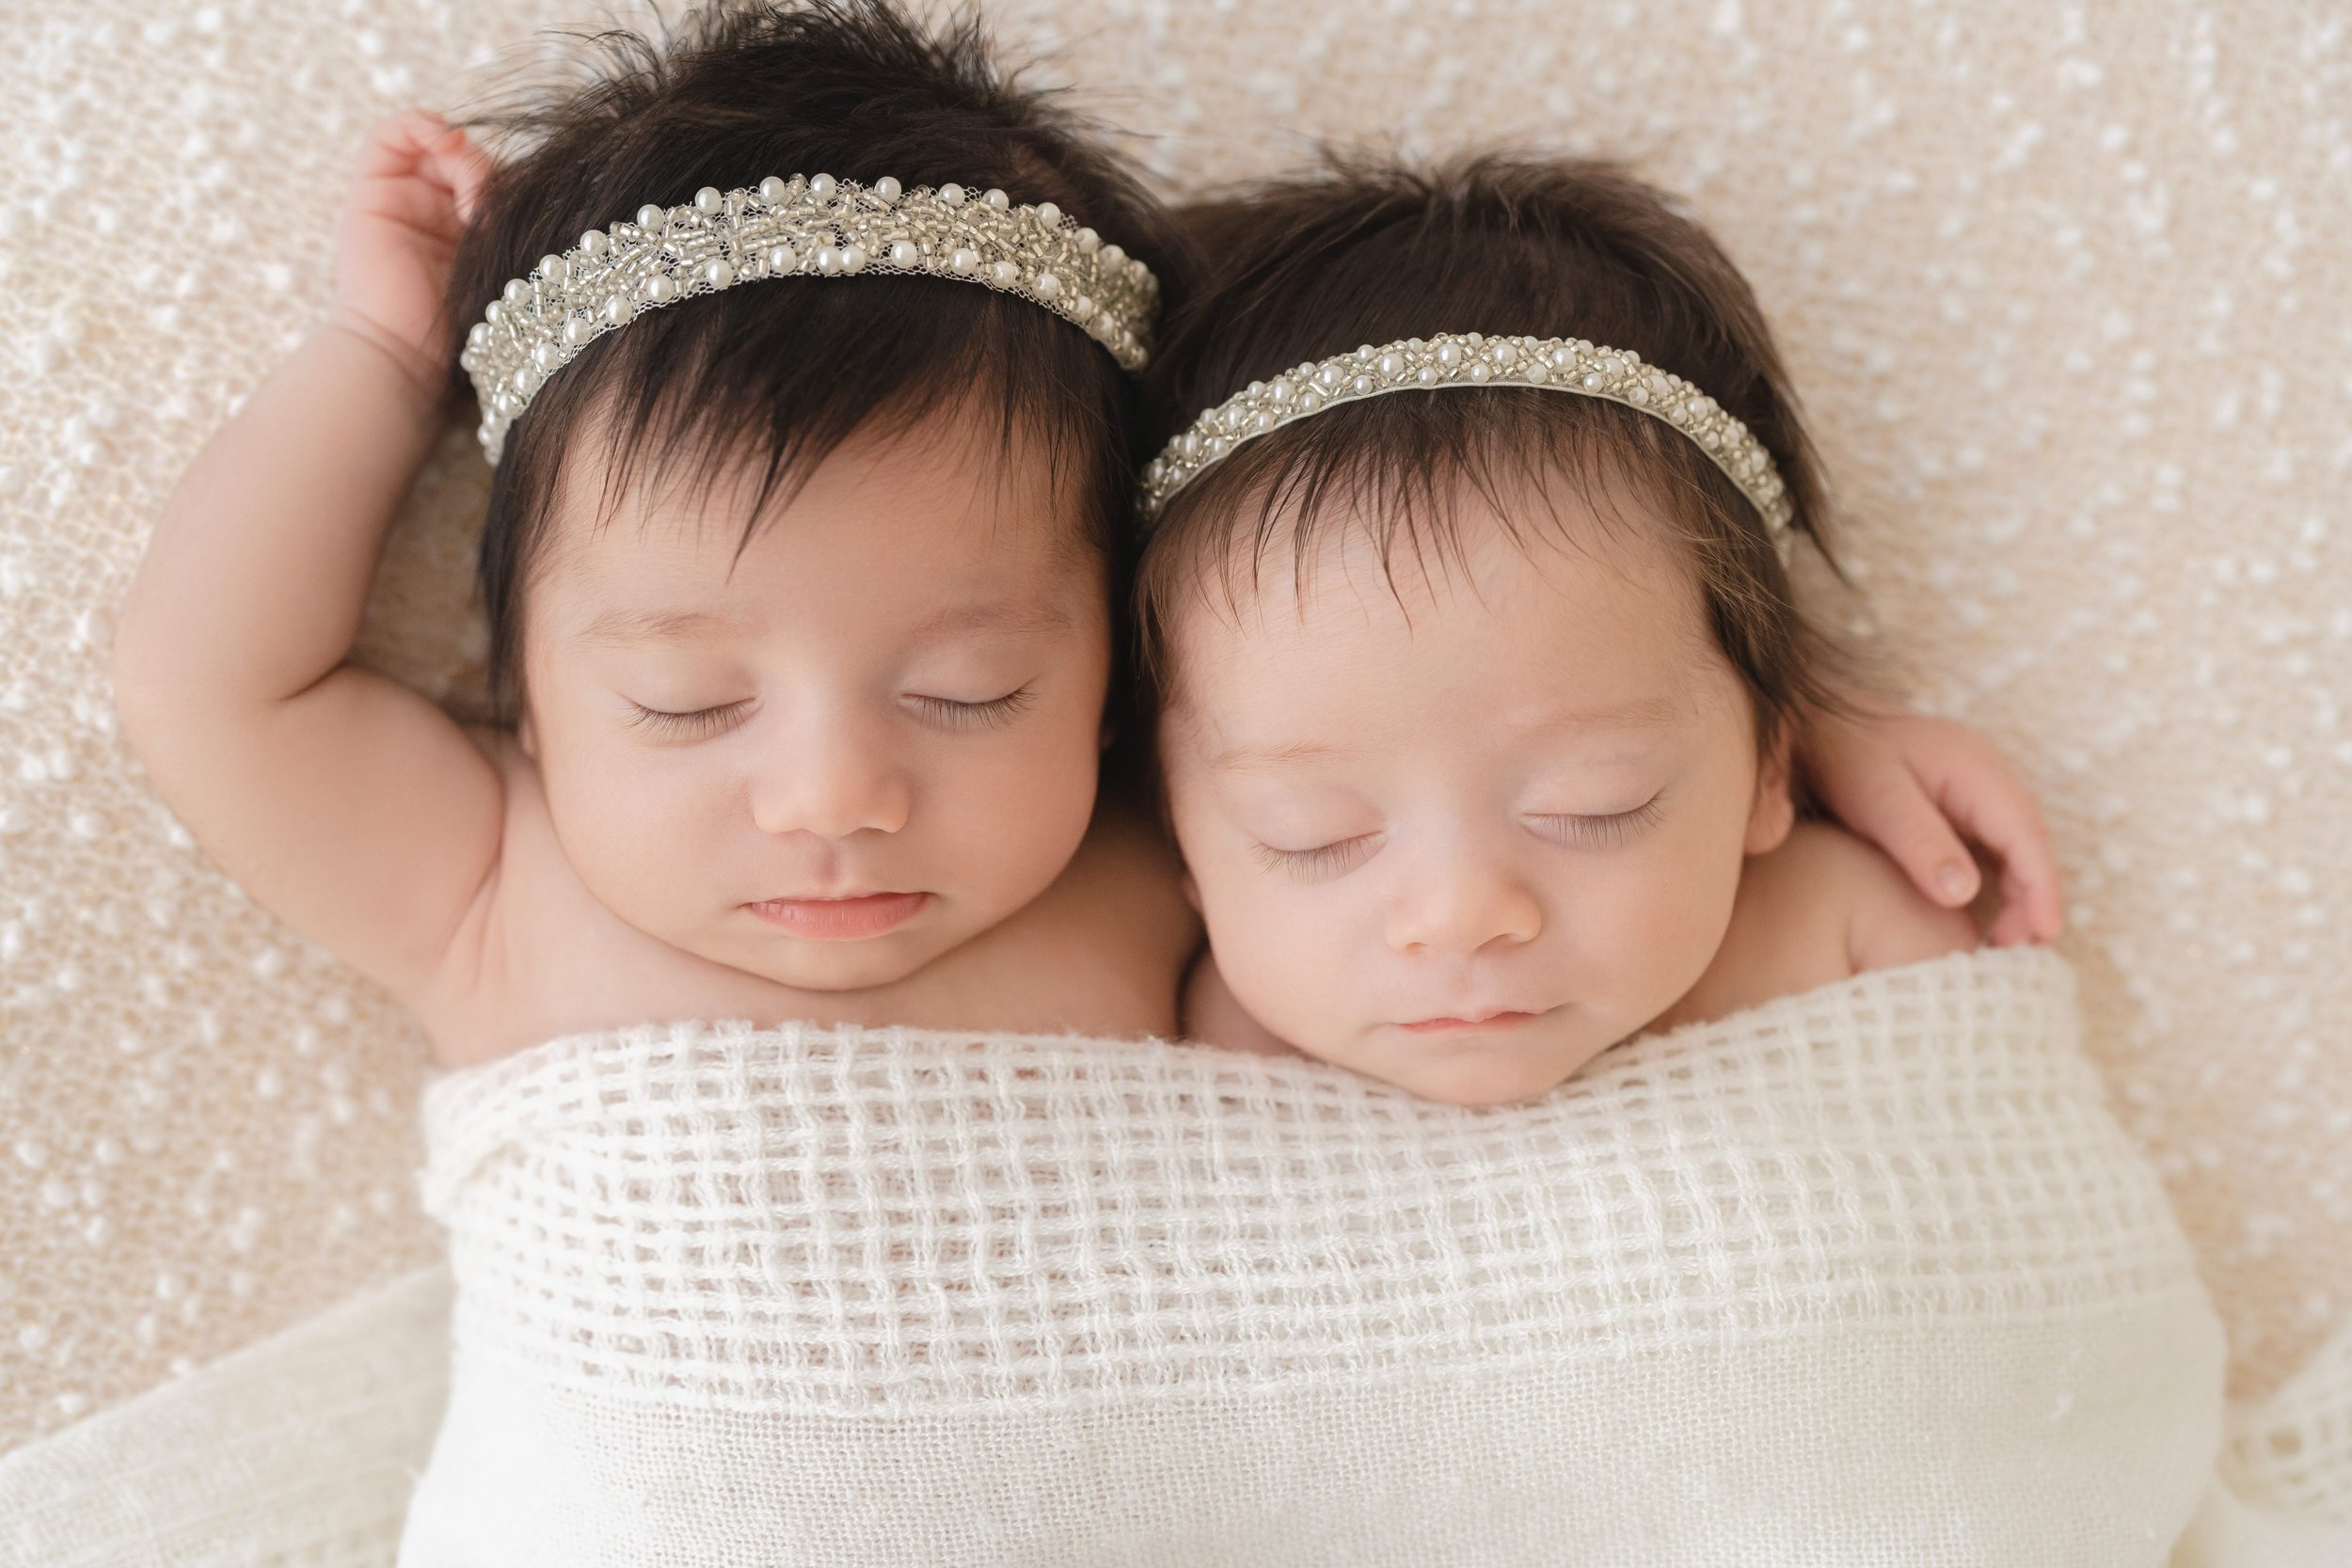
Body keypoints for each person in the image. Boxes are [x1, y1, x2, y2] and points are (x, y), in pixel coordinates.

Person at [109, 0, 1200, 1069]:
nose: (832, 796)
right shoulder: (492, 888)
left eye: (973, 689)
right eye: (685, 699)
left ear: (1111, 676)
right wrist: (384, 356)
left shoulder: (1176, 882)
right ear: (522, 691)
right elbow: (209, 683)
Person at [1138, 156, 2063, 1104]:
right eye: (1311, 833)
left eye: (1594, 803)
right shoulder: (1192, 1021)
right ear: (1171, 831)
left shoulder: (1840, 929)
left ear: (1773, 766)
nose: (1460, 916)